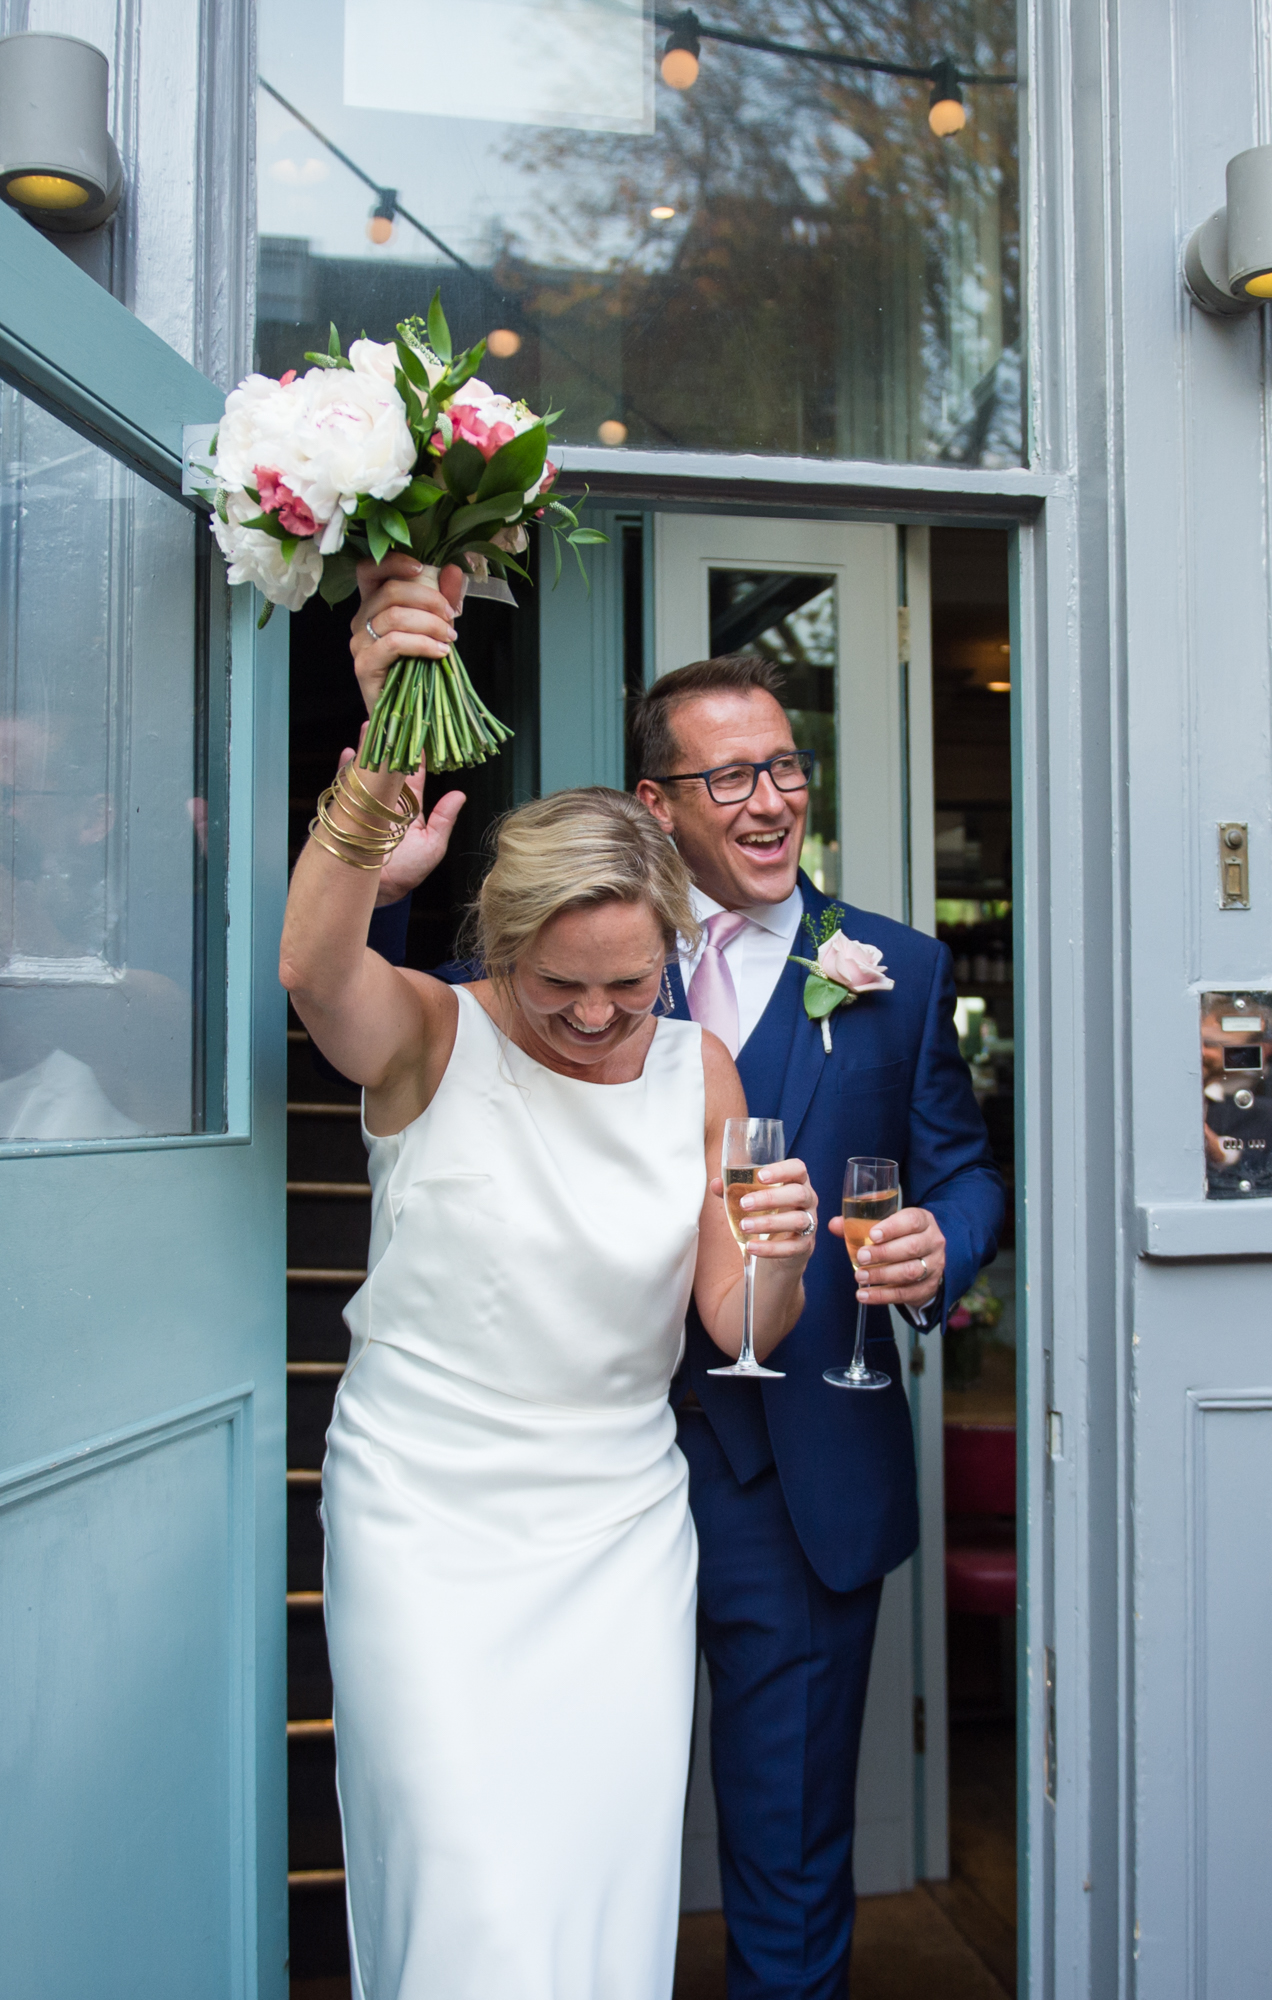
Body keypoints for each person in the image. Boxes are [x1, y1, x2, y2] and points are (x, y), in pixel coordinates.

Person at [353, 560, 1005, 1999]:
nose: (772, 801)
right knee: (553, 1838)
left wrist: (939, 1246)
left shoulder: (884, 966)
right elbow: (386, 1009)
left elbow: (964, 1171)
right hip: (578, 1488)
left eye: (786, 766)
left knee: (785, 1855)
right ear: (659, 804)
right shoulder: (567, 950)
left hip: (798, 1490)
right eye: (732, 780)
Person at [279, 562, 821, 2000]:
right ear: (500, 950)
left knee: (597, 1895)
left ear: (669, 957)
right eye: (555, 987)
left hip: (618, 1533)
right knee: (468, 1891)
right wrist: (379, 763)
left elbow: (736, 1321)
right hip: (427, 1519)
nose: (593, 1020)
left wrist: (780, 1257)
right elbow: (313, 967)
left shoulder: (697, 1073)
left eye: (627, 990)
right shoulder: (428, 1040)